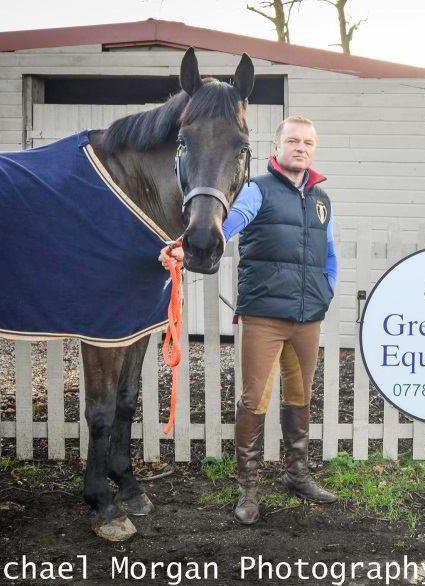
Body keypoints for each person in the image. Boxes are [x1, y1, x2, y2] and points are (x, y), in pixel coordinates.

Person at [160, 115, 337, 525]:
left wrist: (326, 289)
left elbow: (330, 254)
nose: (301, 148)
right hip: (264, 317)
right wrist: (188, 248)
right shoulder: (257, 190)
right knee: (254, 400)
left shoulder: (322, 199)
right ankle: (249, 489)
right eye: (293, 141)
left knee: (300, 398)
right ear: (276, 147)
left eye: (308, 143)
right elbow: (230, 224)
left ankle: (297, 474)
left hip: (308, 317)